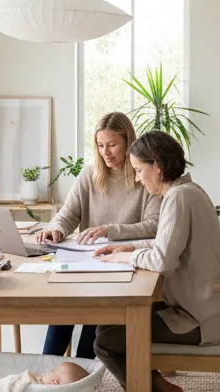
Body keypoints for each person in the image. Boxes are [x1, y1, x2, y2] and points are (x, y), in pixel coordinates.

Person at [92, 130, 220, 392]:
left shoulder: (179, 198)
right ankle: (164, 391)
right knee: (108, 325)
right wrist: (126, 248)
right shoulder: (188, 191)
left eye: (139, 170)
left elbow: (161, 259)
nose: (138, 178)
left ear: (157, 166)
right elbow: (165, 243)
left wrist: (126, 257)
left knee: (106, 342)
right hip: (207, 308)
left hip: (203, 320)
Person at [37, 112, 161, 359]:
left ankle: (82, 374)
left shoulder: (146, 177)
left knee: (94, 315)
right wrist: (57, 228)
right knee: (63, 310)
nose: (106, 152)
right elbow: (68, 214)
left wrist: (109, 230)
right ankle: (47, 373)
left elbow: (154, 225)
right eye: (101, 145)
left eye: (113, 145)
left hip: (124, 264)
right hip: (87, 259)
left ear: (128, 142)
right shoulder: (90, 175)